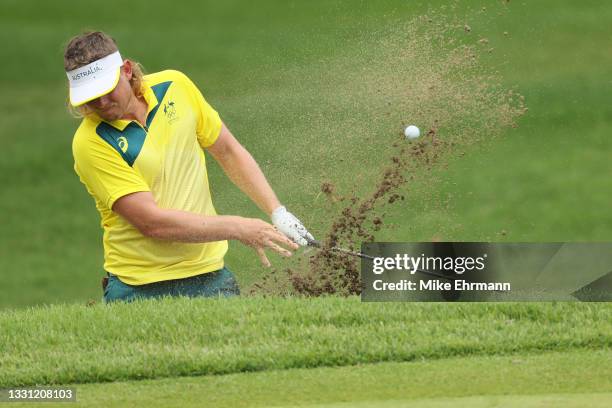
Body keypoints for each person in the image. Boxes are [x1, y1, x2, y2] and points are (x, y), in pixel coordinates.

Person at [64, 31, 314, 303]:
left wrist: (277, 211)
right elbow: (152, 223)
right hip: (138, 289)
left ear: (126, 70)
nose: (100, 104)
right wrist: (239, 227)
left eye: (106, 90)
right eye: (89, 98)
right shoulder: (91, 141)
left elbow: (228, 151)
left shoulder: (175, 86)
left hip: (210, 277)